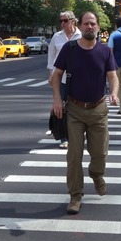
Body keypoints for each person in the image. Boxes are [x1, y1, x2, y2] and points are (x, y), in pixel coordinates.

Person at [49, 11, 119, 215]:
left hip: (98, 109)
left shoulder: (105, 51)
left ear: (98, 27)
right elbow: (56, 75)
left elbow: (113, 76)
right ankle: (75, 195)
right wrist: (57, 100)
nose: (90, 27)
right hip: (74, 110)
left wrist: (114, 93)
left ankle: (96, 174)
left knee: (100, 152)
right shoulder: (70, 49)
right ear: (80, 26)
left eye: (93, 24)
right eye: (86, 23)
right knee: (74, 155)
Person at [48, 10, 81, 148]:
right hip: (60, 78)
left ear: (73, 21)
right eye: (60, 21)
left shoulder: (81, 35)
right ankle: (64, 137)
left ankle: (77, 134)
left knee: (77, 106)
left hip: (78, 77)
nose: (62, 23)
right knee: (60, 106)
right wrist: (51, 74)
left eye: (65, 20)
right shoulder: (57, 37)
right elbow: (51, 56)